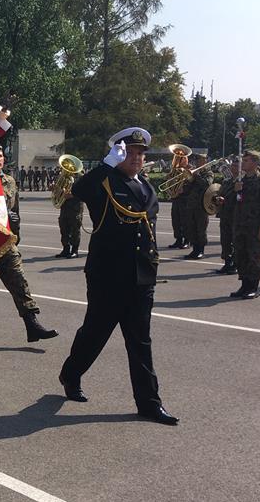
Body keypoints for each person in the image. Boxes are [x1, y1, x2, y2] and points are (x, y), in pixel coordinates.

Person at [58, 127, 178, 426]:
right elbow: (79, 192)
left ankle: (149, 404)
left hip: (140, 278)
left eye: (140, 153)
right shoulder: (105, 183)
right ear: (118, 154)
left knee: (140, 342)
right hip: (108, 277)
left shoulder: (147, 188)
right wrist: (105, 165)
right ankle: (71, 374)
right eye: (131, 153)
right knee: (95, 333)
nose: (137, 158)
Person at [0, 146, 59, 343]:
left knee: (19, 281)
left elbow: (15, 210)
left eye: (0, 156)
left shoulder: (10, 182)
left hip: (5, 241)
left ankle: (32, 323)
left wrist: (17, 229)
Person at [229, 149, 260, 298]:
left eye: (247, 160)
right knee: (241, 255)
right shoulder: (241, 180)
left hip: (254, 226)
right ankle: (244, 284)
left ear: (255, 163)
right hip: (240, 224)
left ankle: (253, 286)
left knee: (253, 256)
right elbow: (235, 202)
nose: (243, 163)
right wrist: (236, 191)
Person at [182, 153, 210, 259]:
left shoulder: (208, 173)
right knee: (191, 228)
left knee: (201, 229)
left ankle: (200, 250)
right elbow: (187, 189)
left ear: (205, 161)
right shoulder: (193, 173)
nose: (198, 161)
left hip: (202, 206)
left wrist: (196, 174)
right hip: (191, 205)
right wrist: (188, 179)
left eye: (201, 159)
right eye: (197, 159)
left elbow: (206, 184)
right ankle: (194, 250)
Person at [214, 158, 239, 274]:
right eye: (233, 166)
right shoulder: (227, 181)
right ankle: (227, 262)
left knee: (236, 240)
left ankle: (235, 263)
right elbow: (220, 194)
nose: (234, 168)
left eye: (237, 166)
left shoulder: (243, 181)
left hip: (236, 215)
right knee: (225, 240)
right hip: (225, 214)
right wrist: (218, 199)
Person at [57, 191, 83, 258]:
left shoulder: (79, 179)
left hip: (75, 206)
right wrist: (55, 188)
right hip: (64, 205)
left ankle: (74, 251)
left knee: (75, 229)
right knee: (63, 227)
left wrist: (73, 194)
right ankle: (66, 249)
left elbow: (84, 190)